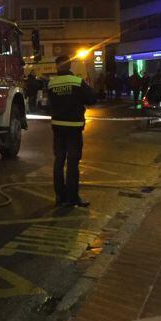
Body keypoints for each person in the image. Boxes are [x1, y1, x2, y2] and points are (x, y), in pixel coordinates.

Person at [48, 55, 98, 208]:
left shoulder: (51, 83)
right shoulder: (76, 82)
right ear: (69, 66)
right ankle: (72, 197)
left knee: (59, 161)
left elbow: (49, 104)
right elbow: (92, 98)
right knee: (72, 162)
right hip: (74, 128)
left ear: (57, 66)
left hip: (58, 127)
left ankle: (60, 197)